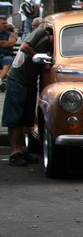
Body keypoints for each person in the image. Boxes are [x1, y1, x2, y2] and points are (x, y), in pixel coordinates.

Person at [2, 24, 53, 166]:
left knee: (26, 120)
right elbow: (24, 47)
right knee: (15, 119)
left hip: (29, 82)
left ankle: (21, 151)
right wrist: (37, 55)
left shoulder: (52, 46)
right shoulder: (40, 32)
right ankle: (14, 152)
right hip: (18, 80)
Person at [0, 16, 18, 92]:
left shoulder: (11, 34)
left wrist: (1, 43)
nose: (5, 25)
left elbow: (11, 44)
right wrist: (5, 42)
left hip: (7, 55)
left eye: (6, 23)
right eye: (3, 23)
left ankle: (0, 80)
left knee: (8, 62)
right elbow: (8, 43)